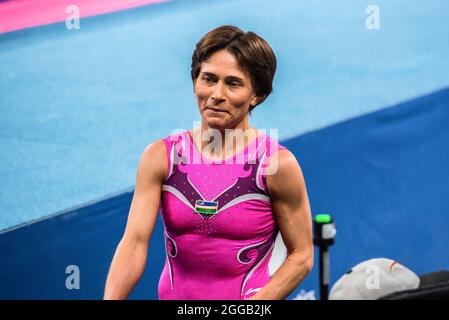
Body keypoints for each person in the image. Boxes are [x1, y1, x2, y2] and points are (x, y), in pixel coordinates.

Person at [104, 25, 313, 300]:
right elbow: (133, 242)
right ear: (194, 83)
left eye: (233, 83)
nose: (217, 94)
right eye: (209, 79)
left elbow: (302, 256)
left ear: (257, 95)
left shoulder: (276, 164)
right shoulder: (160, 156)